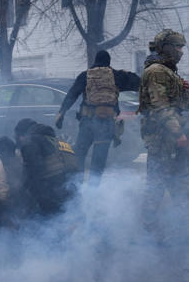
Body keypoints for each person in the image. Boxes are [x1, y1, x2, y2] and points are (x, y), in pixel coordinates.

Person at [54, 50, 140, 186]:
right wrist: (127, 73)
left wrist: (61, 112)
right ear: (109, 62)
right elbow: (138, 84)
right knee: (99, 159)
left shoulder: (85, 75)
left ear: (95, 60)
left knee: (80, 153)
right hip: (106, 123)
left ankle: (77, 185)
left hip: (87, 121)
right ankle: (93, 190)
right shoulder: (116, 76)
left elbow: (72, 94)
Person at [138, 29, 189, 229]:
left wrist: (184, 91)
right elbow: (161, 107)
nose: (181, 51)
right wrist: (178, 134)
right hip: (162, 138)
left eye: (182, 47)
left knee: (180, 182)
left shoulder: (167, 71)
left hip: (170, 136)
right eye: (178, 46)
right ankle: (148, 227)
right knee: (157, 186)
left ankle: (184, 226)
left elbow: (179, 106)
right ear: (166, 47)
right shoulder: (156, 72)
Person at [14, 118, 79, 217]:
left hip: (53, 196)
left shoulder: (31, 142)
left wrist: (22, 201)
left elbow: (33, 174)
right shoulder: (60, 142)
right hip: (73, 196)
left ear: (23, 135)